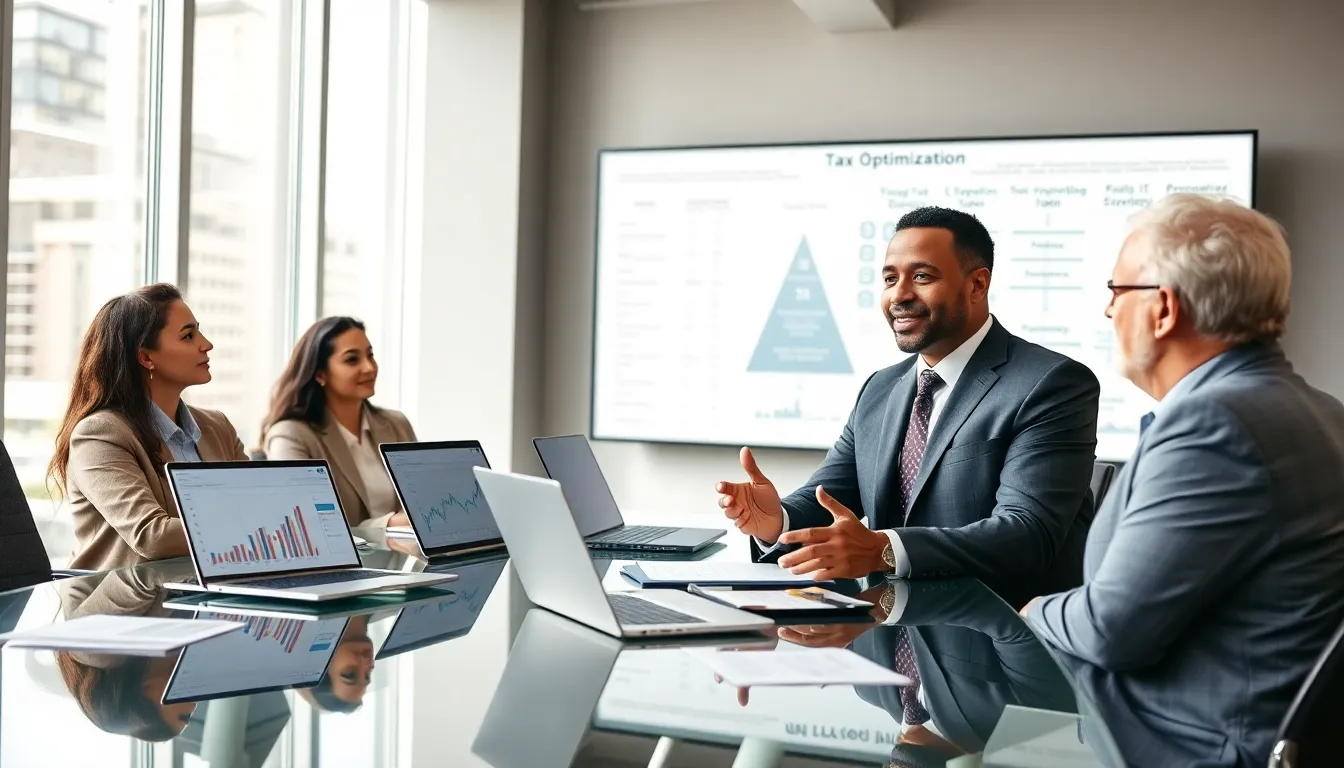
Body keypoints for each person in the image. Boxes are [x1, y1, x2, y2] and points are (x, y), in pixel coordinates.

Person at [1021, 194, 1344, 768]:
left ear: (1164, 309)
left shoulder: (1212, 424)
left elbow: (1109, 630)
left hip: (1181, 746)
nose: (1107, 312)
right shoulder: (1322, 410)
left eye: (1116, 292)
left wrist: (1033, 610)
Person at [716, 206, 1101, 604]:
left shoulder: (1051, 383)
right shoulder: (881, 388)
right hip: (891, 628)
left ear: (977, 285)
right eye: (889, 278)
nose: (899, 295)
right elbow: (829, 494)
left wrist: (885, 549)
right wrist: (775, 520)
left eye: (921, 277)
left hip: (1000, 636)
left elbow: (1027, 534)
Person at [50, 283, 247, 571]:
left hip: (212, 595)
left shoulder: (218, 426)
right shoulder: (100, 435)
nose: (206, 344)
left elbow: (258, 506)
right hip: (126, 607)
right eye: (188, 336)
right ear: (145, 357)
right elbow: (152, 536)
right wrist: (251, 524)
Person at [261, 317, 417, 533]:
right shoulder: (291, 435)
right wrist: (386, 525)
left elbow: (419, 506)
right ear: (320, 373)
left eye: (370, 355)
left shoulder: (396, 424)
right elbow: (306, 526)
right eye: (352, 360)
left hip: (404, 562)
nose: (369, 367)